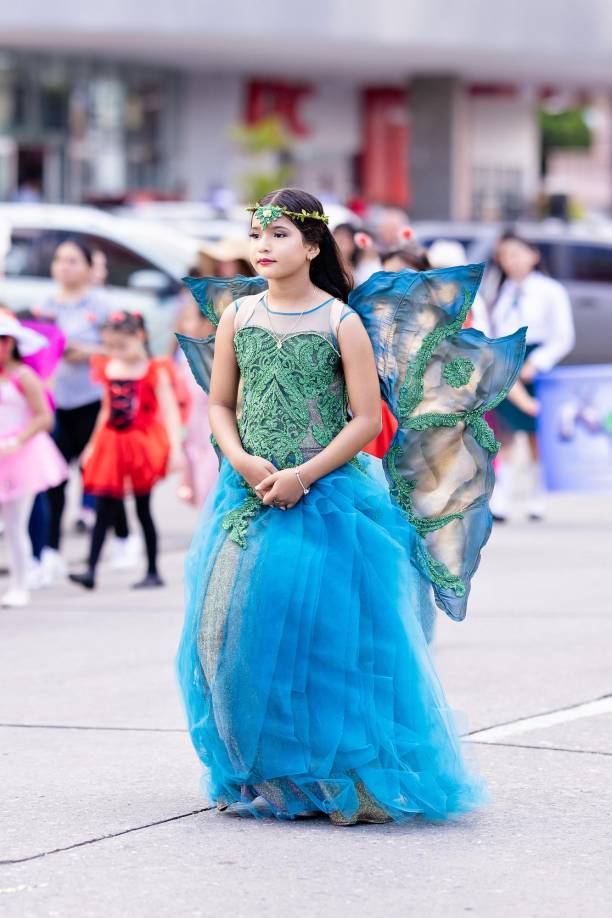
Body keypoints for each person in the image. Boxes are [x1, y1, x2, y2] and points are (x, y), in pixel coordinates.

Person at [175, 187, 525, 824]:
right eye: (257, 235)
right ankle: (264, 770)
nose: (262, 246)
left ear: (313, 246)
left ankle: (333, 777)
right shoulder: (237, 317)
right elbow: (220, 404)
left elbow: (365, 420)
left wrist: (302, 475)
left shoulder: (341, 322)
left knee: (325, 639)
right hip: (246, 492)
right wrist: (244, 460)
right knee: (227, 631)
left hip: (327, 496)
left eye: (278, 234)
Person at [69, 312, 183, 591]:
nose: (116, 351)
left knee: (143, 508)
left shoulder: (154, 370)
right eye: (110, 346)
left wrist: (175, 449)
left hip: (141, 442)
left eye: (122, 345)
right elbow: (106, 410)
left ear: (139, 337)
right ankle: (91, 570)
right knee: (104, 505)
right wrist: (92, 445)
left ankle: (153, 570)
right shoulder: (110, 367)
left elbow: (170, 411)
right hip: (112, 442)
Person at [486, 232, 575, 521]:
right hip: (508, 361)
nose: (510, 261)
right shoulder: (501, 289)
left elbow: (563, 336)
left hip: (537, 365)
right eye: (504, 256)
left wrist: (537, 363)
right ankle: (502, 498)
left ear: (533, 255)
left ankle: (538, 495)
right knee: (505, 432)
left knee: (537, 432)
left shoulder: (550, 290)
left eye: (515, 254)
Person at [41, 239, 111, 577]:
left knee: (96, 475)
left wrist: (88, 351)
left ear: (88, 267)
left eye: (72, 260)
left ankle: (120, 539)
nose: (64, 266)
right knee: (53, 479)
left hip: (93, 402)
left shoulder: (101, 304)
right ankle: (50, 551)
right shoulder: (45, 305)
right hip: (56, 403)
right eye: (59, 260)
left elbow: (123, 348)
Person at [0, 313, 68, 607]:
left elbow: (44, 417)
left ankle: (20, 584)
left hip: (21, 457)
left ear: (10, 343)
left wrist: (17, 440)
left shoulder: (24, 376)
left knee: (15, 524)